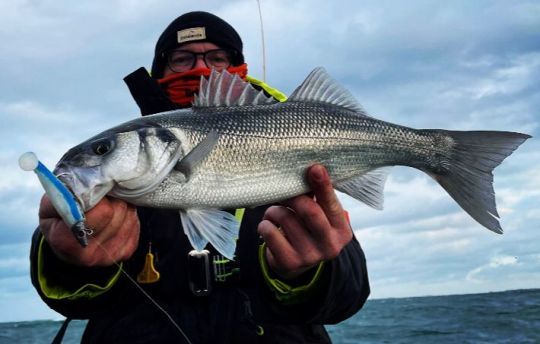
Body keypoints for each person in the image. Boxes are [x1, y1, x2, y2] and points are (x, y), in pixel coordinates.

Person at [30, 11, 370, 343]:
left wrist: (309, 272)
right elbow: (70, 299)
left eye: (217, 57)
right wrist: (71, 257)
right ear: (158, 70)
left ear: (240, 69)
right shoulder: (118, 177)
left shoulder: (301, 138)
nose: (201, 68)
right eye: (181, 58)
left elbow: (347, 298)